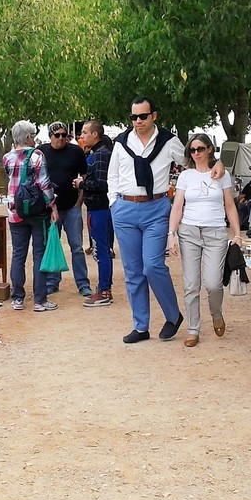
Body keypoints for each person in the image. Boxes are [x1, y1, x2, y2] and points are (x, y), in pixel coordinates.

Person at [107, 96, 224, 344]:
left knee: (152, 265)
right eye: (134, 117)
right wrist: (113, 203)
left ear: (154, 116)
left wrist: (219, 162)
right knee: (133, 271)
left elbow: (193, 160)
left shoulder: (169, 142)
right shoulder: (121, 143)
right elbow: (113, 175)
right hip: (125, 208)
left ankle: (173, 316)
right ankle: (140, 326)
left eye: (143, 116)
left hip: (156, 208)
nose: (138, 121)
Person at [167, 133, 242, 347]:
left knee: (213, 283)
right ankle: (193, 329)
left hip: (215, 231)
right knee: (191, 284)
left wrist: (237, 234)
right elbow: (178, 206)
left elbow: (230, 206)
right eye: (192, 150)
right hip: (189, 231)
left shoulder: (221, 174)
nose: (196, 153)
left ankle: (216, 314)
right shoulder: (186, 176)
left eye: (200, 148)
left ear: (210, 149)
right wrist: (171, 234)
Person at [4, 120, 59, 313]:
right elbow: (44, 184)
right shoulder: (37, 156)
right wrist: (53, 206)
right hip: (36, 212)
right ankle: (39, 300)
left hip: (15, 210)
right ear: (28, 137)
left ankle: (18, 299)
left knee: (18, 254)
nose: (34, 138)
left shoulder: (7, 158)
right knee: (39, 254)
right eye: (33, 135)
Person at [37, 121, 91, 297]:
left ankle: (83, 283)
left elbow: (84, 176)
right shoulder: (42, 152)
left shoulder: (75, 151)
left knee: (77, 247)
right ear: (50, 136)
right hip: (51, 208)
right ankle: (52, 282)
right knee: (52, 244)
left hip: (72, 206)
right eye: (57, 135)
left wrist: (79, 201)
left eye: (64, 135)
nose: (61, 139)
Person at [76, 120, 114, 306]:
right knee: (102, 250)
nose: (81, 136)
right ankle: (104, 288)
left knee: (101, 250)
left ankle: (104, 291)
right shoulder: (98, 153)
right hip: (96, 208)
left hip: (99, 208)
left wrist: (81, 184)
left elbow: (102, 184)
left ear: (95, 135)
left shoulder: (100, 155)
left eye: (84, 132)